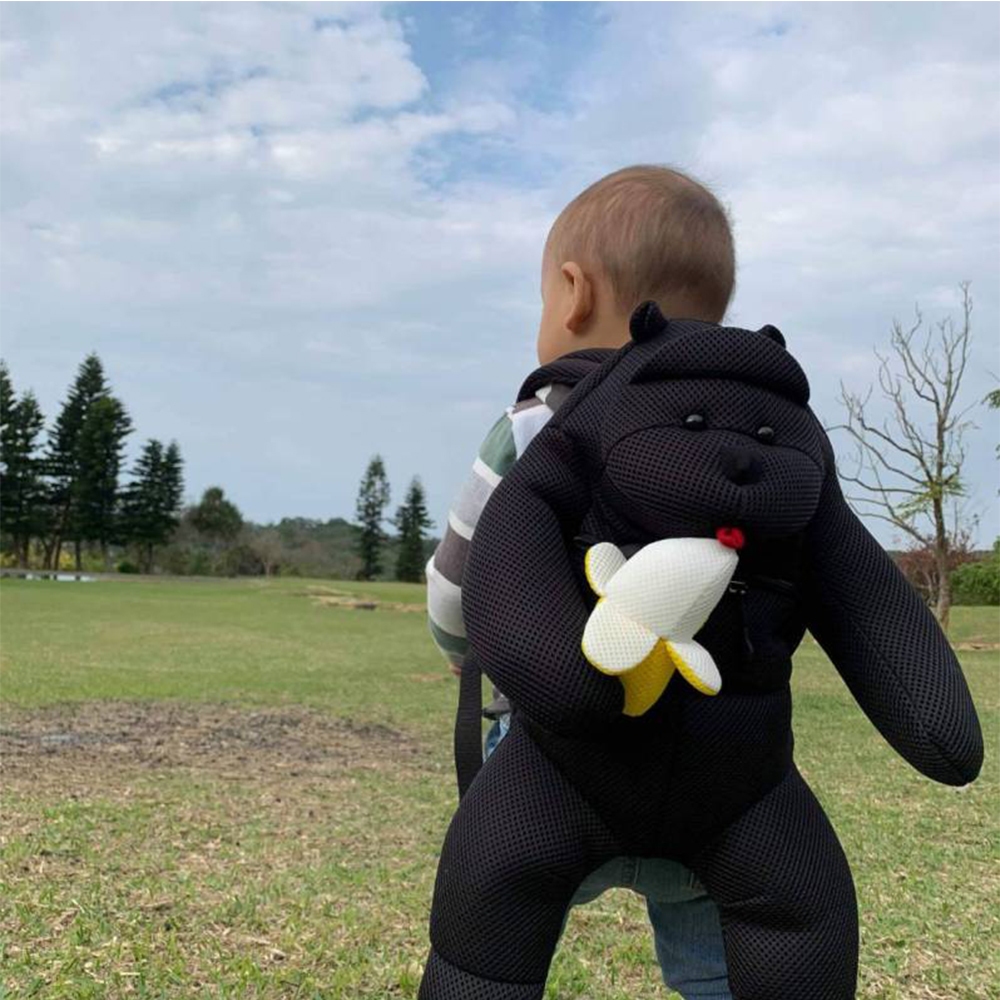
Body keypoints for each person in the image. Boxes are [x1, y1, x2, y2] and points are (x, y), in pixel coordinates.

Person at [425, 164, 736, 998]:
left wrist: (464, 651)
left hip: (547, 764)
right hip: (708, 768)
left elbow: (457, 583)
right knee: (718, 968)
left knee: (496, 936)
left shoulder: (534, 427)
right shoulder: (750, 447)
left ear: (571, 293)